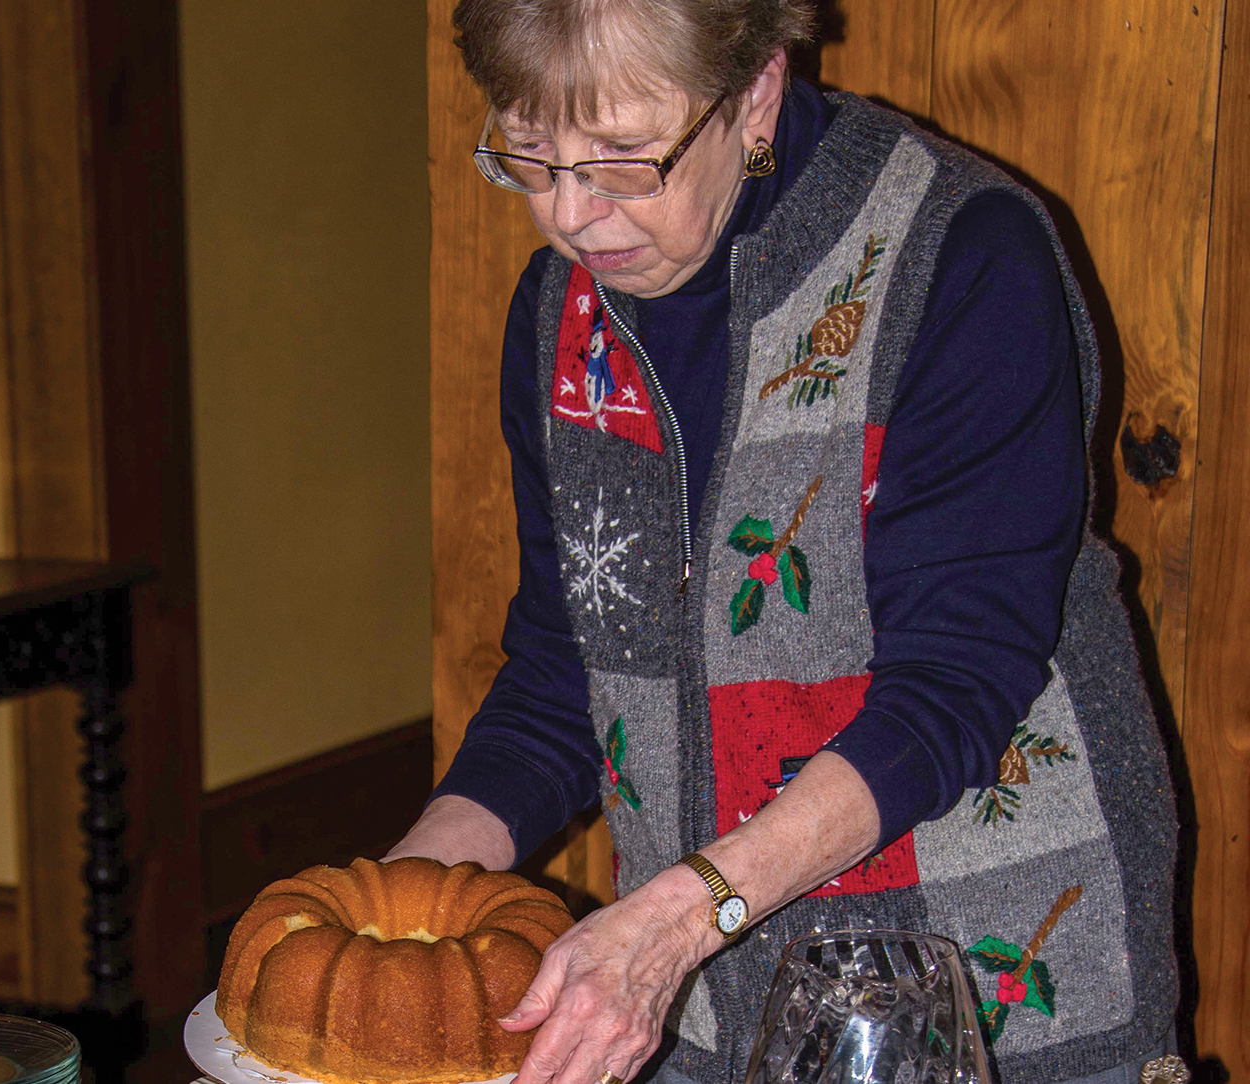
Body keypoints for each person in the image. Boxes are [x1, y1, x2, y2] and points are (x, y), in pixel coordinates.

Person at [385, 3, 1182, 1084]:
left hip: (983, 997)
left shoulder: (956, 253)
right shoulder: (555, 319)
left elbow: (950, 685)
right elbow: (564, 672)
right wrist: (389, 906)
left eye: (623, 159)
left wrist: (675, 917)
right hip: (706, 995)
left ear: (754, 92)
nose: (572, 215)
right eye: (529, 157)